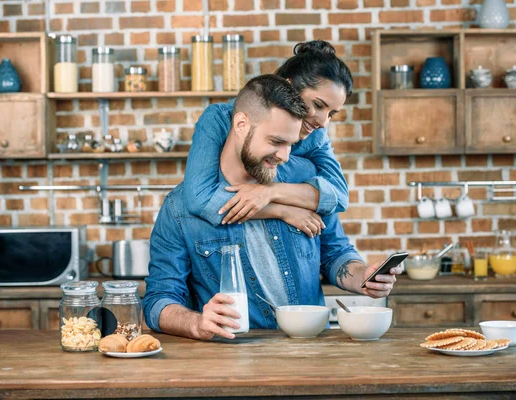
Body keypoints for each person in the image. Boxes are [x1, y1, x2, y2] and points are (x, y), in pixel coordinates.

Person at [143, 75, 402, 341]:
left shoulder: (306, 182)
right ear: (241, 124)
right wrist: (197, 323)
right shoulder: (180, 208)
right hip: (232, 357)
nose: (285, 156)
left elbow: (336, 253)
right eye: (276, 142)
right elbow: (158, 300)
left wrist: (363, 276)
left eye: (291, 144)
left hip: (310, 354)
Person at [183, 40, 353, 238]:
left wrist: (269, 192)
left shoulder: (315, 135)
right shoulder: (221, 118)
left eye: (331, 113)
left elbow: (340, 196)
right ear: (290, 87)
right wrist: (281, 211)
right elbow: (199, 198)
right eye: (318, 105)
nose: (323, 122)